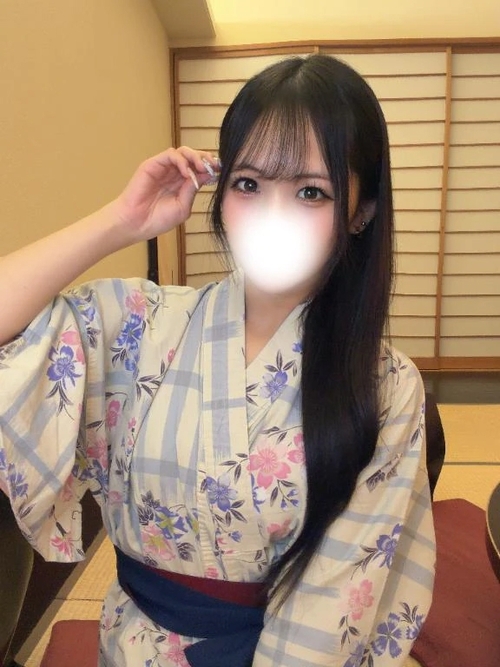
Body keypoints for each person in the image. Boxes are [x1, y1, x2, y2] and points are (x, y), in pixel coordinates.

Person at [0, 55, 435, 666]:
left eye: (311, 192)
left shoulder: (386, 386)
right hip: (133, 647)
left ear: (361, 212)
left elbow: (335, 607)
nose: (271, 217)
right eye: (249, 184)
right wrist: (119, 222)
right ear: (220, 190)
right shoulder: (138, 323)